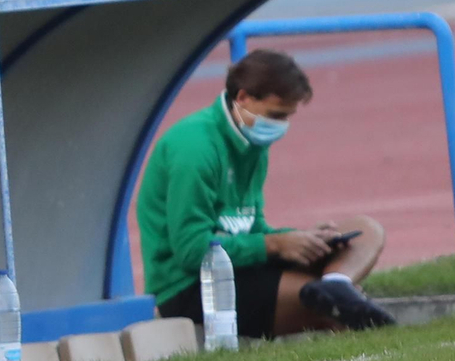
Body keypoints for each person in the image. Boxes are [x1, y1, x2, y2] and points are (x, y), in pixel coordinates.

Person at [139, 49, 395, 339]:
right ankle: (337, 298)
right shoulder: (194, 149)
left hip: (241, 267)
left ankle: (337, 283)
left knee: (365, 230)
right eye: (276, 115)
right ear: (243, 97)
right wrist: (273, 245)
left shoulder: (252, 144)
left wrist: (301, 240)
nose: (280, 126)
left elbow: (251, 226)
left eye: (287, 117)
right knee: (328, 311)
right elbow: (191, 251)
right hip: (192, 286)